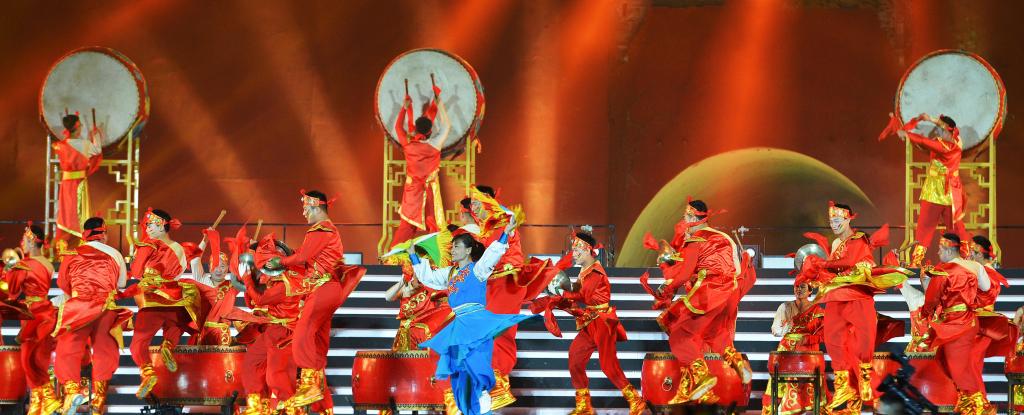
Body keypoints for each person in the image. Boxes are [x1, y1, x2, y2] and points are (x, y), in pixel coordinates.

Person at [407, 217, 537, 415]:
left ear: (468, 250)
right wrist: (413, 255)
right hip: (459, 325)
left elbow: (491, 255)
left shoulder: (477, 269)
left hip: (477, 325)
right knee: (459, 374)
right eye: (452, 246)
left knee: (476, 371)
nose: (452, 250)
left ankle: (483, 409)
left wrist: (505, 234)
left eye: (457, 246)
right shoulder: (450, 273)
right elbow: (429, 278)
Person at [794, 202, 907, 413]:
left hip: (857, 294)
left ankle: (864, 379)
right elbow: (834, 270)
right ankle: (843, 388)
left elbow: (848, 261)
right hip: (838, 294)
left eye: (837, 220)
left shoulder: (859, 239)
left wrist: (821, 264)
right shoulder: (836, 242)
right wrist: (815, 275)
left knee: (862, 341)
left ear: (848, 219)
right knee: (833, 339)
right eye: (831, 221)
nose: (833, 224)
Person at [267, 190, 366, 410]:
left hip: (323, 288)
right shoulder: (327, 231)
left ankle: (310, 385)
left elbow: (302, 257)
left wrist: (280, 262)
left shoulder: (321, 229)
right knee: (317, 339)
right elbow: (304, 256)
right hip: (327, 289)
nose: (303, 213)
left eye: (305, 209)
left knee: (302, 334)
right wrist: (287, 256)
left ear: (316, 207)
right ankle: (319, 393)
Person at [653, 199, 744, 404]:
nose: (684, 221)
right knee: (712, 336)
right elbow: (735, 270)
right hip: (727, 294)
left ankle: (702, 378)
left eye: (685, 217)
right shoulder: (722, 238)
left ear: (692, 217)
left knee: (679, 337)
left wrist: (668, 287)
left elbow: (685, 273)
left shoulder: (696, 240)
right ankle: (734, 362)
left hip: (706, 296)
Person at [555, 230, 645, 415]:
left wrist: (561, 293)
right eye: (573, 250)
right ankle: (584, 406)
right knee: (575, 358)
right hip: (590, 322)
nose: (574, 254)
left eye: (577, 251)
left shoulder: (596, 272)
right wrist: (559, 292)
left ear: (587, 250)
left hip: (603, 323)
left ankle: (636, 400)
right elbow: (577, 292)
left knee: (608, 365)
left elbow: (583, 295)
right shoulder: (584, 270)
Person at [51, 217, 133, 415]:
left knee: (69, 347)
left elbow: (62, 283)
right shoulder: (115, 254)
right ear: (104, 234)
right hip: (105, 307)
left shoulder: (72, 253)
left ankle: (72, 390)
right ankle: (99, 399)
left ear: (84, 234)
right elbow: (121, 284)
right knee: (105, 350)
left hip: (79, 306)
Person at [124, 208, 201, 398]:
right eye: (147, 225)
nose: (147, 228)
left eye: (150, 224)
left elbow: (136, 272)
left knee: (138, 343)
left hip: (153, 299)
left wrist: (139, 259)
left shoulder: (149, 245)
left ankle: (148, 372)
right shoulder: (180, 249)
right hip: (175, 297)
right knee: (175, 326)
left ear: (161, 225)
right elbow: (181, 269)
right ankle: (168, 345)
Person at [920, 234, 993, 414]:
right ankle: (968, 402)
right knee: (961, 365)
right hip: (970, 322)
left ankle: (977, 407)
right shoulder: (975, 266)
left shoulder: (942, 271)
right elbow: (987, 288)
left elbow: (931, 300)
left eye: (940, 249)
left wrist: (926, 285)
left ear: (948, 250)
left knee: (958, 368)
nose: (938, 253)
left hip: (954, 325)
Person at [885, 112, 969, 265]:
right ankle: (965, 259)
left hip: (937, 192)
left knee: (928, 227)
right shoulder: (958, 140)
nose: (939, 132)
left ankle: (921, 262)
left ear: (947, 132)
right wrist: (930, 119)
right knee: (953, 228)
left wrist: (907, 134)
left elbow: (924, 141)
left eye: (941, 130)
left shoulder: (945, 147)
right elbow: (945, 127)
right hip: (951, 192)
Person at [1, 224, 60, 415]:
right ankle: (38, 405)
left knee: (28, 359)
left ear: (32, 242)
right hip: (46, 311)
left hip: (32, 314)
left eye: (24, 240)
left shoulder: (27, 264)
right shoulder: (47, 264)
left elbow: (13, 290)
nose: (22, 243)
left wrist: (11, 268)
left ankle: (48, 397)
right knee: (37, 359)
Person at [391, 80, 451, 246]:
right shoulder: (435, 144)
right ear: (431, 131)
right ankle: (438, 257)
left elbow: (398, 128)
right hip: (430, 189)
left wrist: (404, 108)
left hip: (412, 191)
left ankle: (393, 257)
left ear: (415, 129)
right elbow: (446, 126)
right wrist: (440, 104)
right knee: (434, 226)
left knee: (406, 226)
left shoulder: (408, 145)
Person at [761, 283, 825, 415]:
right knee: (779, 382)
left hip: (807, 352)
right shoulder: (785, 307)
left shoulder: (817, 310)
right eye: (796, 287)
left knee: (804, 384)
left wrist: (808, 339)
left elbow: (824, 335)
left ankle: (796, 409)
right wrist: (788, 326)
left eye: (803, 287)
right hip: (786, 350)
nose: (799, 289)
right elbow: (775, 330)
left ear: (810, 291)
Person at [52, 113, 104, 246]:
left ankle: (64, 242)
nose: (81, 127)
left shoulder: (60, 145)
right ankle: (82, 241)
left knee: (66, 213)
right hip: (79, 183)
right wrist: (96, 135)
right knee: (80, 212)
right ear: (77, 127)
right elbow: (97, 151)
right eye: (80, 125)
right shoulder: (85, 144)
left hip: (66, 184)